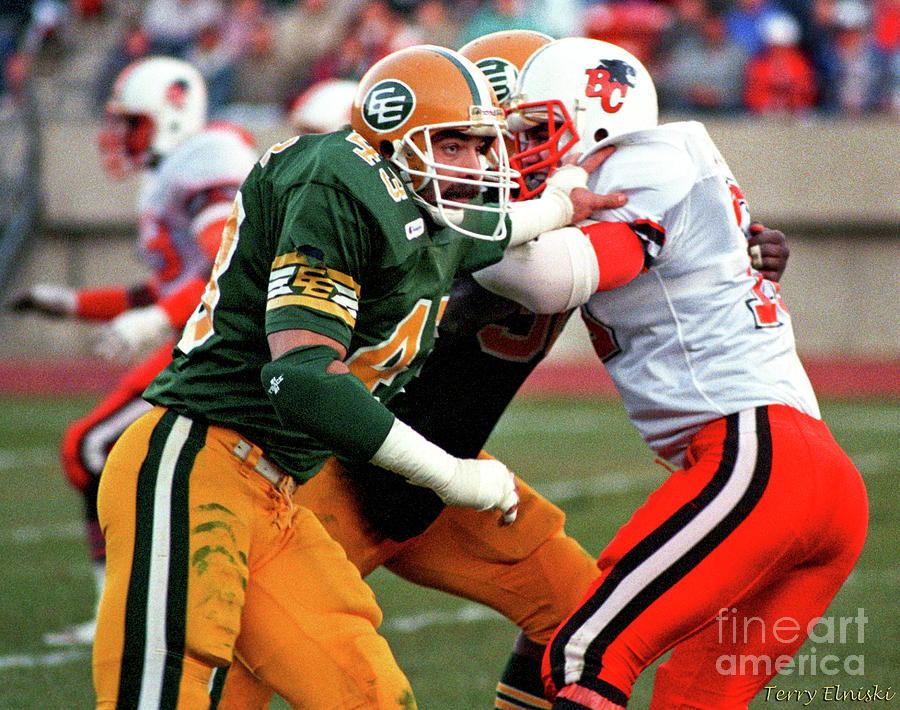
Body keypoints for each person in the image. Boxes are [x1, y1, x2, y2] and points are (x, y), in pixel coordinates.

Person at [214, 29, 792, 710]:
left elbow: (646, 244)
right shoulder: (418, 207)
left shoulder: (583, 206)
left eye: (520, 130)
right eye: (491, 135)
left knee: (584, 620)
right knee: (258, 659)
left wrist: (730, 242)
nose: (505, 150)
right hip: (346, 464)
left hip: (445, 478)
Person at [90, 43, 613, 709]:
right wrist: (454, 476)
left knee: (368, 695)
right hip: (198, 461)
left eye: (482, 148)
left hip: (278, 492)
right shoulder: (339, 182)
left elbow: (499, 225)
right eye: (455, 146)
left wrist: (569, 199)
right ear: (395, 142)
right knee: (169, 694)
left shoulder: (419, 207)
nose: (478, 166)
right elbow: (304, 379)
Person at [479, 36, 867, 708]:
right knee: (690, 696)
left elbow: (547, 280)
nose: (524, 148)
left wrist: (451, 228)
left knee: (584, 654)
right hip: (800, 472)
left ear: (597, 113)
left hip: (757, 461)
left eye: (539, 128)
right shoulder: (669, 160)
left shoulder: (644, 160)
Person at [6, 55, 258, 647]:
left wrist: (148, 325)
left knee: (92, 446)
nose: (121, 137)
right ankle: (129, 606)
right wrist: (72, 304)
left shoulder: (209, 160)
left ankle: (128, 610)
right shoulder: (173, 173)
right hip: (195, 342)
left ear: (173, 114)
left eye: (134, 123)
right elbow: (168, 288)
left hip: (221, 351)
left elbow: (227, 268)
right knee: (93, 450)